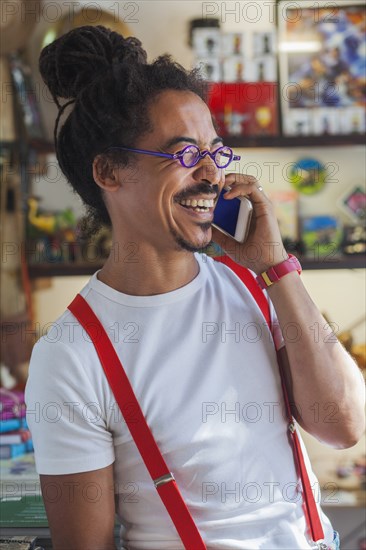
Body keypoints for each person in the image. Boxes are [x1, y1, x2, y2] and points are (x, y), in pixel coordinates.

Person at [25, 25, 365, 550]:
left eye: (216, 150)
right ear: (110, 171)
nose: (213, 175)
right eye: (185, 155)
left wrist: (276, 268)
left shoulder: (254, 287)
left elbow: (342, 426)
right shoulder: (72, 355)